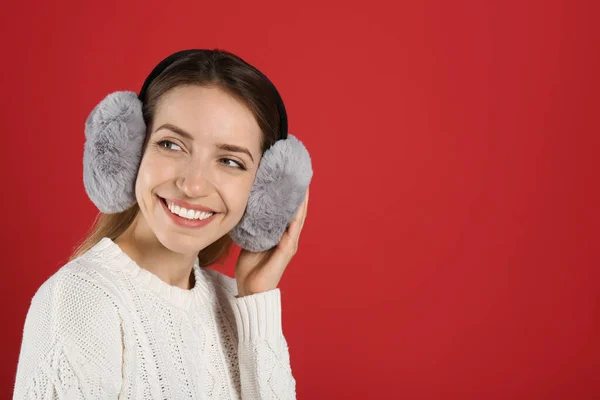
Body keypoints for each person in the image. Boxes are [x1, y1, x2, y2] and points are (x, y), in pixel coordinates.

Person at [13, 49, 312, 399]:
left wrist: (257, 300)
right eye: (171, 144)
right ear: (130, 151)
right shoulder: (82, 300)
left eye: (230, 161)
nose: (194, 185)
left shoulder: (238, 303)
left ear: (265, 191)